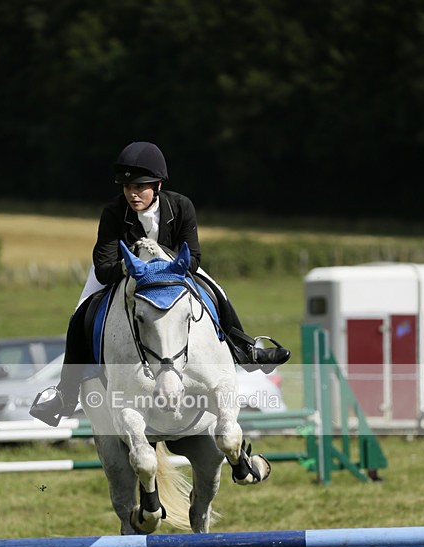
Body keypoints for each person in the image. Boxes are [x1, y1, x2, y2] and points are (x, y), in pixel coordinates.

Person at [30, 142, 290, 426]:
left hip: (173, 268)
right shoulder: (113, 212)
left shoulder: (180, 206)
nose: (132, 193)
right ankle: (65, 394)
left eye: (140, 187)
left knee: (216, 291)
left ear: (158, 184)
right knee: (80, 314)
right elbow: (104, 268)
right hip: (121, 270)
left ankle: (247, 349)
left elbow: (193, 257)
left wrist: (164, 266)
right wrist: (130, 267)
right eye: (128, 187)